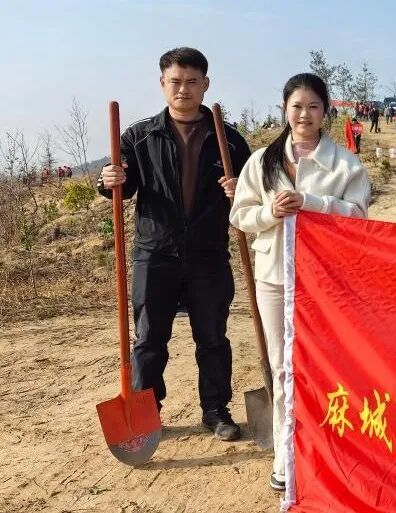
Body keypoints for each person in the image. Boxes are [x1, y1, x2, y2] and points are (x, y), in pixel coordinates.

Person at [97, 47, 250, 441]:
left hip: (208, 253)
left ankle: (215, 410)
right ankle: (145, 412)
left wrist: (241, 190)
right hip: (156, 253)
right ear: (162, 83)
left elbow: (253, 191)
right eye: (176, 81)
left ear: (206, 84)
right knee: (149, 339)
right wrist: (108, 180)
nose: (184, 89)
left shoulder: (229, 140)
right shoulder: (139, 136)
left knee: (212, 336)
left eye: (192, 81)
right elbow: (121, 184)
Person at [232, 72, 370, 492]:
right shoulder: (262, 161)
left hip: (325, 280)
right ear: (285, 109)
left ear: (325, 111)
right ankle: (285, 452)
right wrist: (270, 213)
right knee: (281, 364)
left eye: (313, 106)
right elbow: (240, 215)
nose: (304, 114)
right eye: (297, 106)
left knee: (327, 363)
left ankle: (329, 447)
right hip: (274, 277)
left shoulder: (345, 164)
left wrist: (312, 203)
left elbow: (359, 216)